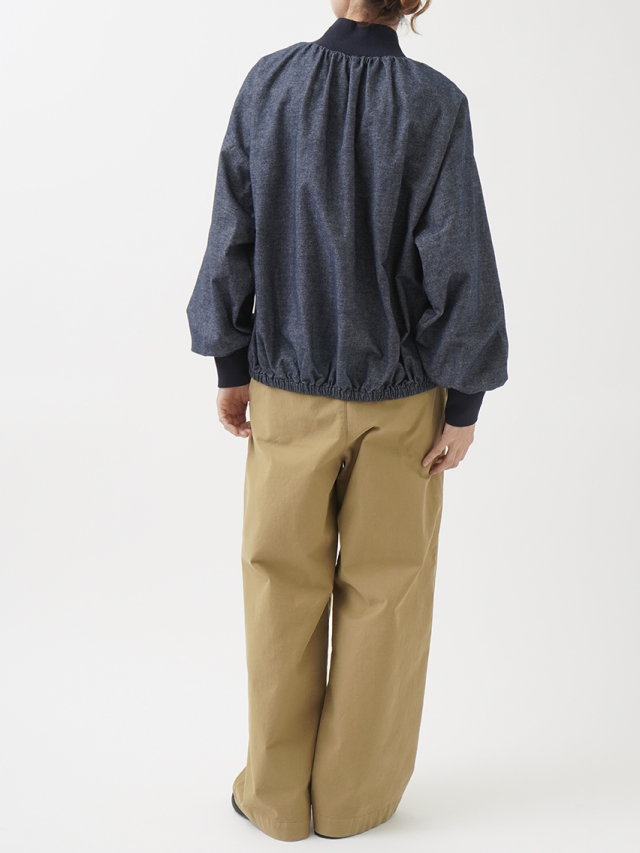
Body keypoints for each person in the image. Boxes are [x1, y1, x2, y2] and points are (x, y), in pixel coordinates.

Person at [186, 0, 509, 842]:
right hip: (401, 404)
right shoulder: (435, 104)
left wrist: (230, 363)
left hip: (285, 392)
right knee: (385, 595)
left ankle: (274, 799)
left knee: (279, 589)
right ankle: (353, 802)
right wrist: (464, 402)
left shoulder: (270, 84)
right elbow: (460, 259)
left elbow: (233, 230)